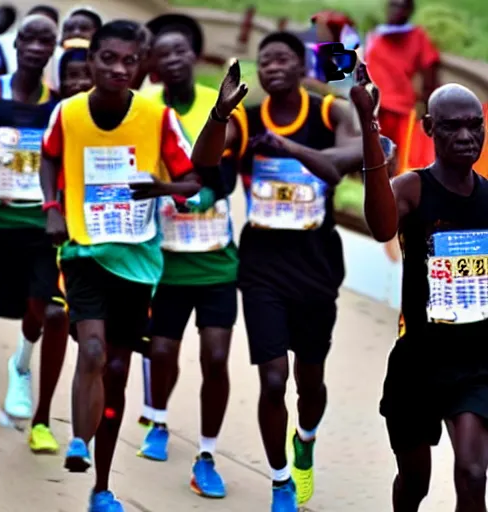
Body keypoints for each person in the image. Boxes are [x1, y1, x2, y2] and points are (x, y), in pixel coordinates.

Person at [40, 19, 246, 512]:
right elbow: (49, 157)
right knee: (90, 350)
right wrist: (52, 208)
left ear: (140, 66)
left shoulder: (155, 118)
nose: (117, 68)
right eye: (107, 58)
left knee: (115, 368)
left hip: (137, 263)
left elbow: (193, 180)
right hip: (86, 253)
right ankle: (77, 444)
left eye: (129, 61)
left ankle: (102, 487)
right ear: (90, 61)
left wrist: (161, 190)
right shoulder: (67, 113)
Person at [192, 31, 363, 511]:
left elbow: (345, 162)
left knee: (310, 381)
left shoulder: (330, 112)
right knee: (272, 380)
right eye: (264, 61)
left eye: (282, 58)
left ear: (300, 63)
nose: (272, 67)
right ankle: (280, 480)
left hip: (316, 266)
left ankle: (304, 438)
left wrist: (289, 149)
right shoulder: (247, 120)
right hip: (262, 267)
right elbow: (203, 161)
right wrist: (220, 114)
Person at [356, 71, 488, 511]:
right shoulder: (412, 189)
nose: (467, 136)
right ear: (429, 128)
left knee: (473, 475)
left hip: (476, 364)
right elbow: (381, 226)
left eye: (475, 124)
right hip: (419, 363)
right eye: (452, 126)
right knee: (415, 483)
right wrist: (368, 127)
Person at [137, 15, 238, 499]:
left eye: (182, 50)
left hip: (216, 258)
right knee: (160, 352)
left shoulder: (222, 108)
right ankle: (156, 421)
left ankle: (207, 453)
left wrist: (169, 185)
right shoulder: (145, 107)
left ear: (195, 55)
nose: (173, 58)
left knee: (216, 357)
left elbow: (220, 180)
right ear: (151, 61)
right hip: (165, 257)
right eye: (163, 52)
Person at [0, 14, 68, 454]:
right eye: (29, 37)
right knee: (22, 308)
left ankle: (22, 369)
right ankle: (22, 354)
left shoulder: (59, 101)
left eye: (45, 40)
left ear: (54, 48)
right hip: (3, 221)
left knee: (48, 308)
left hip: (46, 223)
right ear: (17, 44)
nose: (36, 45)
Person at [365, 0, 439, 176]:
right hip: (374, 106)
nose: (397, 10)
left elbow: (430, 70)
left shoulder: (417, 36)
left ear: (410, 10)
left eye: (402, 6)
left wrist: (428, 105)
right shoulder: (375, 35)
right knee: (372, 153)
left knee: (399, 157)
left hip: (401, 108)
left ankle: (394, 194)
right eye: (393, 5)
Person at [0, 5, 59, 78]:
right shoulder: (3, 44)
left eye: (44, 40)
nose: (35, 47)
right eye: (29, 38)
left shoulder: (60, 55)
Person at [49, 7, 103, 92]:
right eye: (69, 29)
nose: (76, 33)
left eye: (84, 29)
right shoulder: (51, 61)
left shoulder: (103, 62)